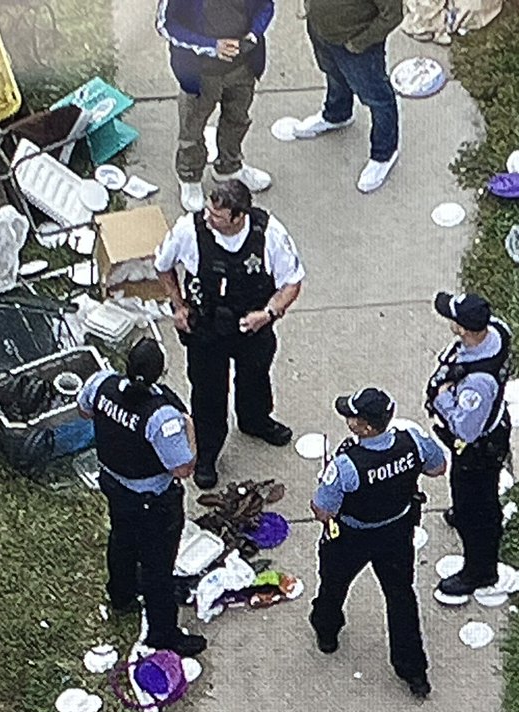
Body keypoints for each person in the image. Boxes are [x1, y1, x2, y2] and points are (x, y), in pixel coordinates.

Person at [155, 178, 303, 489]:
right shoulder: (189, 230)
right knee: (207, 394)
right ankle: (207, 454)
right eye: (208, 211)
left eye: (217, 216)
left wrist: (269, 313)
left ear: (239, 216)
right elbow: (163, 265)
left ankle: (255, 421)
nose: (208, 219)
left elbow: (292, 281)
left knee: (255, 379)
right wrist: (178, 306)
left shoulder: (270, 234)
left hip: (253, 328)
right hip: (206, 332)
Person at [309, 388, 447, 699]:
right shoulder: (411, 438)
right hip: (397, 532)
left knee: (333, 584)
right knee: (401, 597)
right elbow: (438, 468)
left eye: (352, 417)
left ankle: (327, 632)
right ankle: (414, 672)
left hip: (352, 537)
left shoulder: (346, 465)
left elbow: (323, 511)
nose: (348, 420)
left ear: (366, 427)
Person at [78, 338, 207, 657]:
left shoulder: (101, 383)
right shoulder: (162, 416)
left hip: (113, 484)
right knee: (157, 567)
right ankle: (164, 634)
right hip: (152, 502)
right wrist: (190, 429)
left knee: (121, 539)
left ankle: (121, 594)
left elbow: (83, 411)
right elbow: (183, 468)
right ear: (160, 372)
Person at [425, 291, 512, 598]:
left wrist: (444, 397)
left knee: (477, 507)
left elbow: (467, 429)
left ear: (463, 329)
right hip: (495, 426)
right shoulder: (498, 330)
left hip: (478, 450)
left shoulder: (477, 384)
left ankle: (480, 570)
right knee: (473, 499)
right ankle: (466, 512)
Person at [156, 0, 275, 213]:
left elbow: (265, 5)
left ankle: (229, 167)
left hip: (242, 67)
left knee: (237, 119)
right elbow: (165, 24)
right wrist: (211, 47)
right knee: (192, 129)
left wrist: (253, 34)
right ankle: (189, 177)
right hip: (200, 73)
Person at [292, 0, 402, 193]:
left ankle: (384, 154)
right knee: (334, 75)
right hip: (321, 33)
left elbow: (392, 15)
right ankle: (337, 115)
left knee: (378, 99)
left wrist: (360, 43)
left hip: (356, 46)